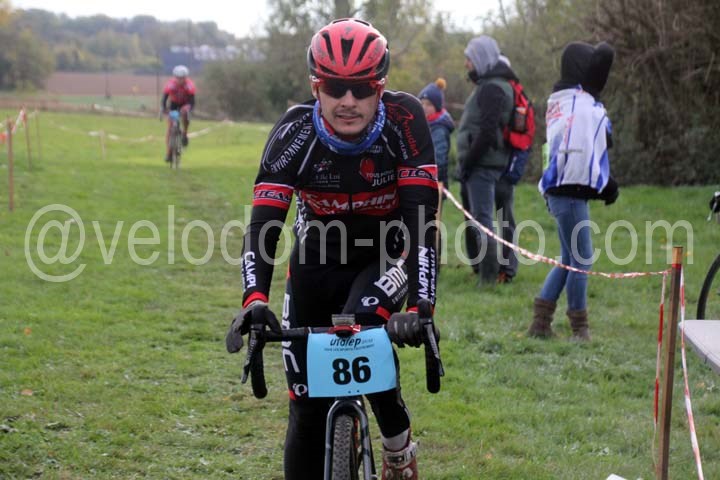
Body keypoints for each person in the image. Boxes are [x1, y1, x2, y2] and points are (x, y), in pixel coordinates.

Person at [225, 18, 439, 480]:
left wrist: (422, 307)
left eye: (361, 89)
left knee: (363, 325)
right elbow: (264, 226)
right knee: (305, 410)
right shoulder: (294, 133)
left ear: (380, 88)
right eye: (334, 88)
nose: (347, 101)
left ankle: (398, 450)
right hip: (317, 260)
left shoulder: (404, 121)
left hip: (385, 253)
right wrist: (254, 300)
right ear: (315, 87)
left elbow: (422, 221)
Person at [528, 41, 618, 341]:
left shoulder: (562, 102)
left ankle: (540, 323)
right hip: (569, 192)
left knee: (569, 257)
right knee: (582, 259)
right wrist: (605, 186)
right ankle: (579, 328)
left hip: (559, 191)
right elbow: (586, 149)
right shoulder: (579, 105)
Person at [456, 36, 517, 286]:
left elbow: (488, 132)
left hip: (483, 165)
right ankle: (491, 270)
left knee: (483, 222)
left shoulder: (492, 88)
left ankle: (489, 278)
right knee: (493, 219)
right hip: (490, 163)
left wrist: (468, 163)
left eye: (469, 59)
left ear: (481, 59)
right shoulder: (492, 85)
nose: (466, 64)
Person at [418, 78, 455, 192]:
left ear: (437, 107)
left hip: (434, 182)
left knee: (425, 206)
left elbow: (438, 159)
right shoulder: (423, 124)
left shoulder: (439, 129)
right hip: (422, 178)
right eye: (422, 103)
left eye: (429, 104)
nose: (424, 107)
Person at [161, 65, 196, 162]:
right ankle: (168, 153)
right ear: (175, 77)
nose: (180, 80)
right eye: (178, 78)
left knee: (185, 115)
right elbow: (164, 98)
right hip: (174, 104)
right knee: (170, 128)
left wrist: (188, 109)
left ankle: (185, 133)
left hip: (186, 103)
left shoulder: (190, 85)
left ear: (186, 77)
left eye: (182, 78)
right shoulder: (170, 84)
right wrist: (164, 108)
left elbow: (192, 101)